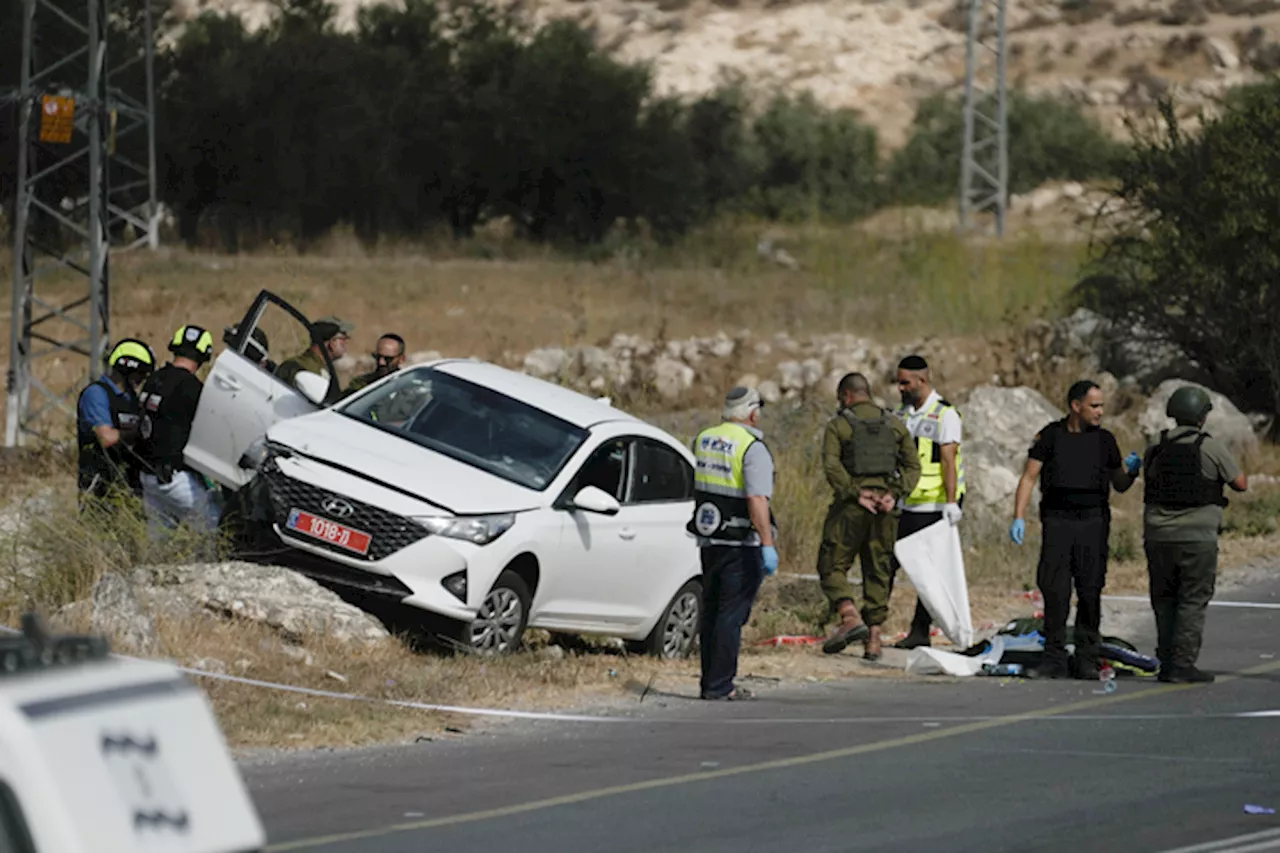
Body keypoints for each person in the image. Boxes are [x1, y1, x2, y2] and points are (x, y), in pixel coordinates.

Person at [1010, 379, 1141, 679]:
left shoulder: (1105, 440)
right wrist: (1018, 516)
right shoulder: (1050, 436)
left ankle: (1086, 658)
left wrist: (1131, 471)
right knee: (1055, 592)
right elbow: (1029, 477)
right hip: (1057, 522)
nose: (1100, 412)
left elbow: (1118, 483)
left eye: (1102, 406)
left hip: (1093, 523)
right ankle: (1054, 659)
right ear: (1076, 406)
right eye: (1094, 406)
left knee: (1090, 591)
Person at [1142, 386, 1248, 684]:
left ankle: (1165, 661)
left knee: (1164, 600)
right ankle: (1182, 664)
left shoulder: (1155, 447)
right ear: (1201, 417)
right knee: (1191, 600)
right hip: (1196, 537)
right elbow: (1240, 483)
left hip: (1157, 535)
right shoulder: (1209, 447)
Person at [817, 373, 921, 660]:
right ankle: (874, 638)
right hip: (886, 509)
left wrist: (854, 492)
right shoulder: (894, 424)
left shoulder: (839, 425)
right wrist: (894, 493)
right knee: (878, 568)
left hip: (852, 507)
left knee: (831, 563)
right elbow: (913, 465)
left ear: (847, 396)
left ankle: (849, 616)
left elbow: (831, 465)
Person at [687, 386, 778, 701]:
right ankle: (721, 685)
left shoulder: (703, 439)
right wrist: (767, 543)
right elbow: (756, 498)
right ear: (752, 413)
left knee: (711, 612)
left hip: (709, 539)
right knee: (730, 616)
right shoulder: (752, 447)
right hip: (742, 543)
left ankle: (709, 681)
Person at [891, 354, 967, 650]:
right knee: (890, 564)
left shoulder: (944, 414)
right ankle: (874, 628)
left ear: (922, 381)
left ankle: (921, 629)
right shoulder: (903, 414)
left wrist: (951, 502)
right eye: (899, 382)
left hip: (935, 506)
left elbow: (949, 460)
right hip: (906, 503)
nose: (900, 388)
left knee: (929, 572)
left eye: (905, 382)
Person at [137, 324, 220, 534]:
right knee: (213, 527)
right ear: (204, 356)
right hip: (175, 480)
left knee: (159, 545)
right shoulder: (190, 387)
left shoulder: (154, 379)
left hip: (148, 477)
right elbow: (208, 431)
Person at [76, 338, 156, 503]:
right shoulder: (96, 394)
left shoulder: (132, 399)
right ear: (127, 369)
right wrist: (139, 432)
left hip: (129, 487)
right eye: (140, 374)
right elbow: (106, 438)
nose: (142, 379)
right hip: (100, 488)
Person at [276, 315, 353, 404]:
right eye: (343, 339)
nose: (345, 343)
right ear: (332, 342)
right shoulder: (297, 367)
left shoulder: (324, 368)